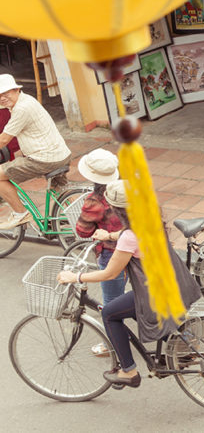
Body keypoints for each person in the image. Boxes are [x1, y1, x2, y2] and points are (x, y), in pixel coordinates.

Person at [57, 180, 200, 388]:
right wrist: (110, 235)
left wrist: (75, 277)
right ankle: (184, 345)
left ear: (116, 209)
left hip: (156, 292)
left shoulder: (129, 237)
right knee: (132, 307)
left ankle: (128, 371)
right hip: (177, 281)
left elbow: (110, 273)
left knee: (109, 313)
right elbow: (131, 236)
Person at [0, 73, 71, 229]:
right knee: (60, 192)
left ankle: (20, 213)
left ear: (16, 90)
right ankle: (79, 217)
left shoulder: (22, 109)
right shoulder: (26, 100)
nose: (3, 98)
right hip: (60, 154)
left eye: (6, 93)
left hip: (44, 159)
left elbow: (3, 140)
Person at [73, 148, 124, 357]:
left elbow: (82, 231)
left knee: (111, 303)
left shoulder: (95, 201)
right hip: (137, 248)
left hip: (112, 253)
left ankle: (113, 343)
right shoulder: (127, 188)